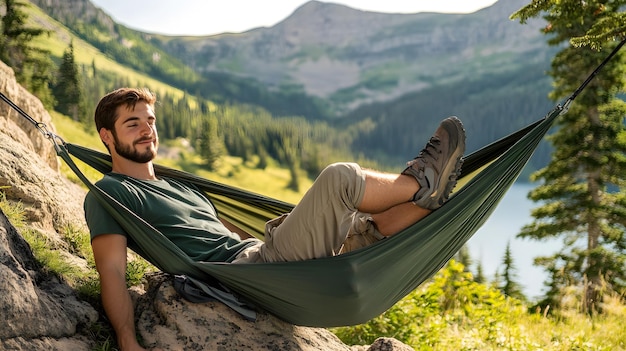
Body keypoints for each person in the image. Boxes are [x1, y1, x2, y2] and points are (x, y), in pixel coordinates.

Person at [84, 87, 466, 351]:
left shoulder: (184, 189)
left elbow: (230, 232)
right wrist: (126, 339)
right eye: (132, 124)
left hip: (266, 255)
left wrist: (287, 230)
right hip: (254, 275)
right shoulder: (110, 194)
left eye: (149, 120)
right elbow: (112, 272)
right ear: (106, 135)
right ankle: (419, 182)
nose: (146, 129)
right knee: (340, 179)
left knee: (366, 228)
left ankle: (432, 200)